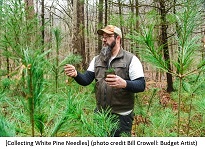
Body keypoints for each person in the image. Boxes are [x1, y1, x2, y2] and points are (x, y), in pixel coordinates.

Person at [64, 25, 145, 137]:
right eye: (103, 36)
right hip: (101, 115)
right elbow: (86, 79)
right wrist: (76, 74)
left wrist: (124, 83)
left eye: (108, 36)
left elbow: (141, 85)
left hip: (121, 116)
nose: (104, 39)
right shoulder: (97, 60)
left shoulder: (131, 59)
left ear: (118, 38)